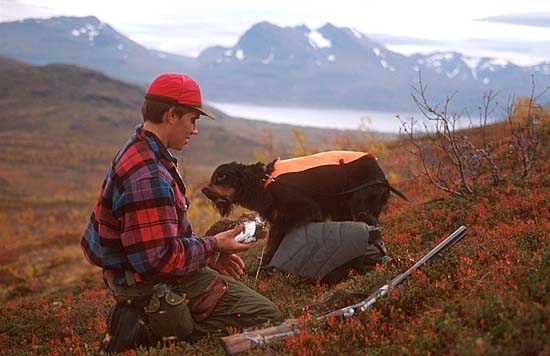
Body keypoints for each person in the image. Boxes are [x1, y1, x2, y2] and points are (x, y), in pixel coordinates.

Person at [80, 73, 281, 351]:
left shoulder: (140, 146)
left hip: (134, 275)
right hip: (145, 283)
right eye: (193, 120)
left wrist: (206, 258)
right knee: (266, 316)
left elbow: (159, 238)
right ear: (172, 115)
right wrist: (213, 246)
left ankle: (155, 322)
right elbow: (156, 260)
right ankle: (146, 329)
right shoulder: (149, 176)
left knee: (249, 305)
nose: (194, 130)